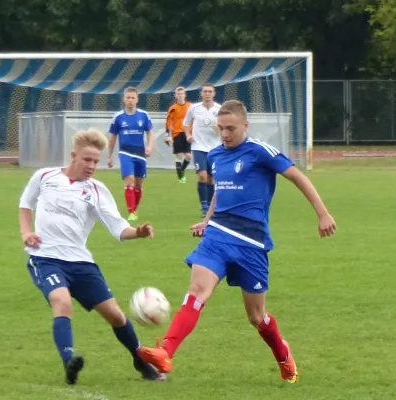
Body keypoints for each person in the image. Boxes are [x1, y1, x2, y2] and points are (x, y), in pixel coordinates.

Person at [137, 100, 337, 384]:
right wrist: (208, 220)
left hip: (251, 243)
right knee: (196, 292)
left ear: (246, 125)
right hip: (218, 235)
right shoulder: (216, 155)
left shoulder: (259, 151)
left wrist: (323, 214)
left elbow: (298, 177)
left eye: (231, 128)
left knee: (257, 318)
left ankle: (283, 355)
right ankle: (165, 351)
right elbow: (221, 190)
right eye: (221, 129)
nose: (225, 134)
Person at [19, 129, 165, 385]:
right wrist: (26, 232)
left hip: (81, 262)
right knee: (61, 302)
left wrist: (138, 232)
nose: (91, 166)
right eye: (87, 160)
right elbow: (25, 204)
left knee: (117, 316)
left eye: (96, 161)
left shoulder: (96, 190)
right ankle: (69, 363)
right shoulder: (44, 176)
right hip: (45, 258)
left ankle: (140, 360)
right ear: (74, 156)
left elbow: (118, 228)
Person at [107, 87, 154, 221]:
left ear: (137, 99)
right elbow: (112, 138)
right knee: (130, 180)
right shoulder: (118, 117)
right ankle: (131, 211)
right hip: (125, 152)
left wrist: (149, 147)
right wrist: (109, 156)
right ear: (124, 99)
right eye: (128, 98)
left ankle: (134, 209)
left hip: (140, 153)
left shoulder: (143, 115)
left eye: (133, 98)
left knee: (138, 185)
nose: (130, 100)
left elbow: (150, 132)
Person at [183, 84, 221, 216]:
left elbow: (223, 128)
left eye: (210, 91)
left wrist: (218, 129)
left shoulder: (219, 109)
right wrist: (188, 135)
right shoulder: (194, 108)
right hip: (198, 147)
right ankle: (204, 206)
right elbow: (186, 124)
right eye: (205, 91)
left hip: (215, 148)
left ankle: (211, 206)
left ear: (214, 94)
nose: (207, 94)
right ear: (201, 93)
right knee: (202, 176)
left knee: (211, 178)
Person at [164, 87, 192, 183]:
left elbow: (195, 119)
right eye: (178, 94)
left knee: (188, 156)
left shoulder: (190, 106)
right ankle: (180, 177)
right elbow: (168, 122)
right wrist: (168, 135)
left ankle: (182, 170)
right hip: (177, 133)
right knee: (179, 155)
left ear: (185, 95)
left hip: (188, 133)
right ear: (175, 96)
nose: (180, 95)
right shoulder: (172, 108)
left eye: (181, 93)